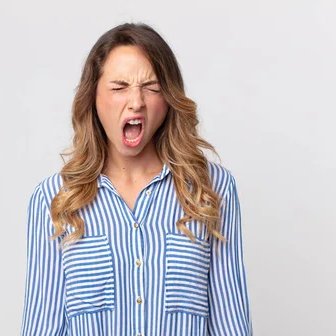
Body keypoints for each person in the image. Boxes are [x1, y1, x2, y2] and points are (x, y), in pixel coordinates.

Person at [20, 22, 252, 336]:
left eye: (152, 87)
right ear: (93, 98)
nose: (136, 101)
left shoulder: (212, 189)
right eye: (119, 87)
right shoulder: (54, 199)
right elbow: (41, 328)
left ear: (169, 98)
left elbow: (231, 324)